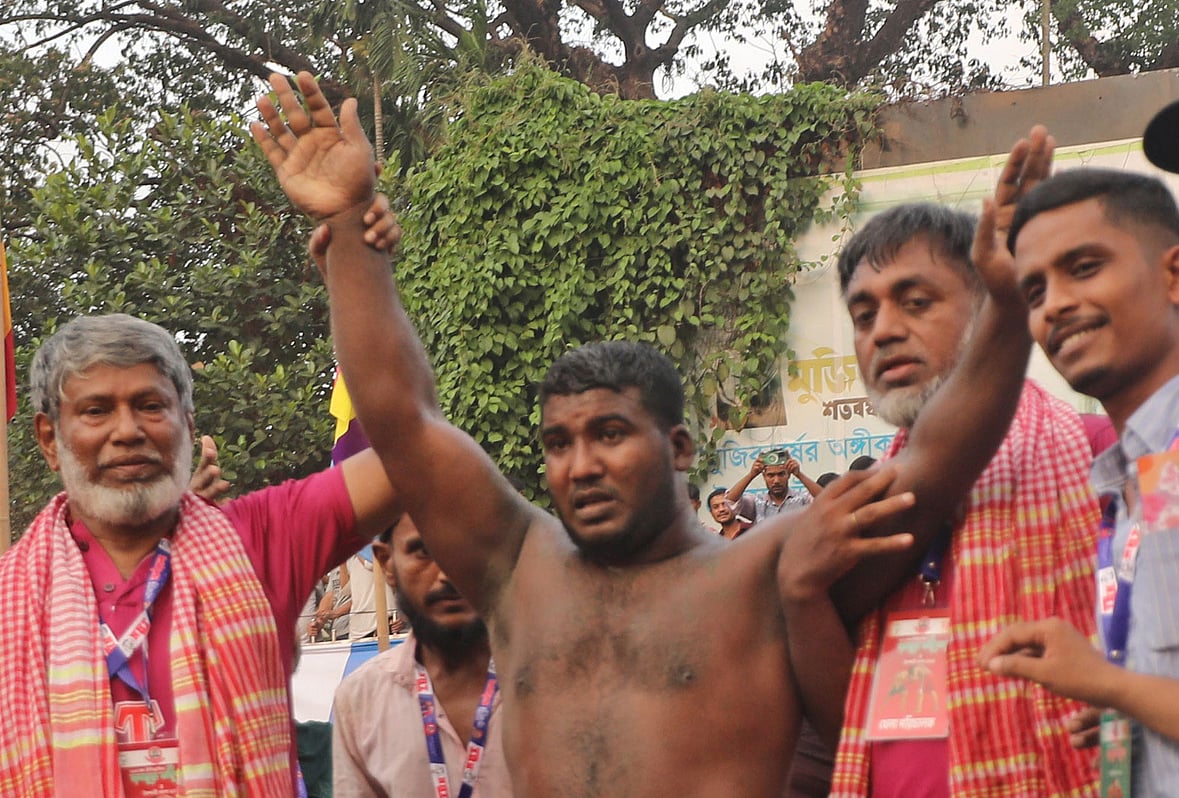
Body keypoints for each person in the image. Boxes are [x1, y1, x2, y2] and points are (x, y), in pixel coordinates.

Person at [252, 70, 957, 797]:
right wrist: (348, 223)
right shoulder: (519, 567)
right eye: (559, 445)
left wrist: (998, 310)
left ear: (679, 448)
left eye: (611, 434)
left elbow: (938, 463)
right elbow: (403, 421)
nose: (581, 466)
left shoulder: (767, 573)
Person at [784, 138, 1101, 798]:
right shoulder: (854, 509)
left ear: (989, 304)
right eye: (863, 314)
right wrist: (801, 594)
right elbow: (850, 733)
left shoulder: (1099, 457)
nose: (884, 331)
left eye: (916, 301)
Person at [0, 293, 400, 791]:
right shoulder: (9, 599)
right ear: (48, 439)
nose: (127, 431)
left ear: (188, 426)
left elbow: (413, 446)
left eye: (150, 406)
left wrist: (350, 249)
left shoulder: (260, 538)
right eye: (96, 410)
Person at [978, 156, 1179, 794]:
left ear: (1176, 274)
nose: (1057, 307)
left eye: (1084, 268)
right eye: (1035, 292)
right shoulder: (1134, 476)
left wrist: (1108, 682)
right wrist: (1134, 704)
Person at [333, 515, 513, 797]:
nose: (448, 574)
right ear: (386, 562)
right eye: (425, 552)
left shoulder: (561, 682)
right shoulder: (361, 700)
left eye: (469, 547)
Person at [724, 452, 816, 520]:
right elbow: (730, 500)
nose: (776, 481)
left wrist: (799, 474)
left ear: (789, 474)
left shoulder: (803, 499)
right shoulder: (757, 503)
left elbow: (826, 499)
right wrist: (751, 475)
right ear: (764, 476)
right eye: (771, 475)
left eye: (781, 474)